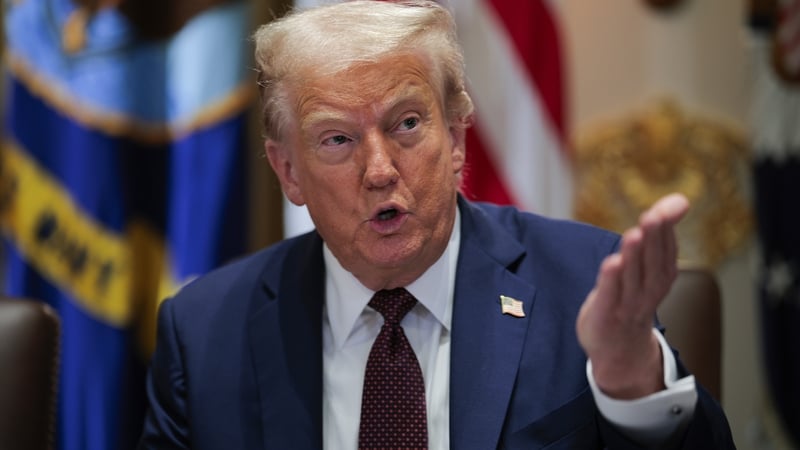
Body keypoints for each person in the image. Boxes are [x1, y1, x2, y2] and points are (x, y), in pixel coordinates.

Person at [138, 1, 735, 448]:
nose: (379, 170)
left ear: (455, 138)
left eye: (406, 124)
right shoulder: (204, 333)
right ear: (288, 172)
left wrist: (632, 383)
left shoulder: (581, 284)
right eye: (338, 139)